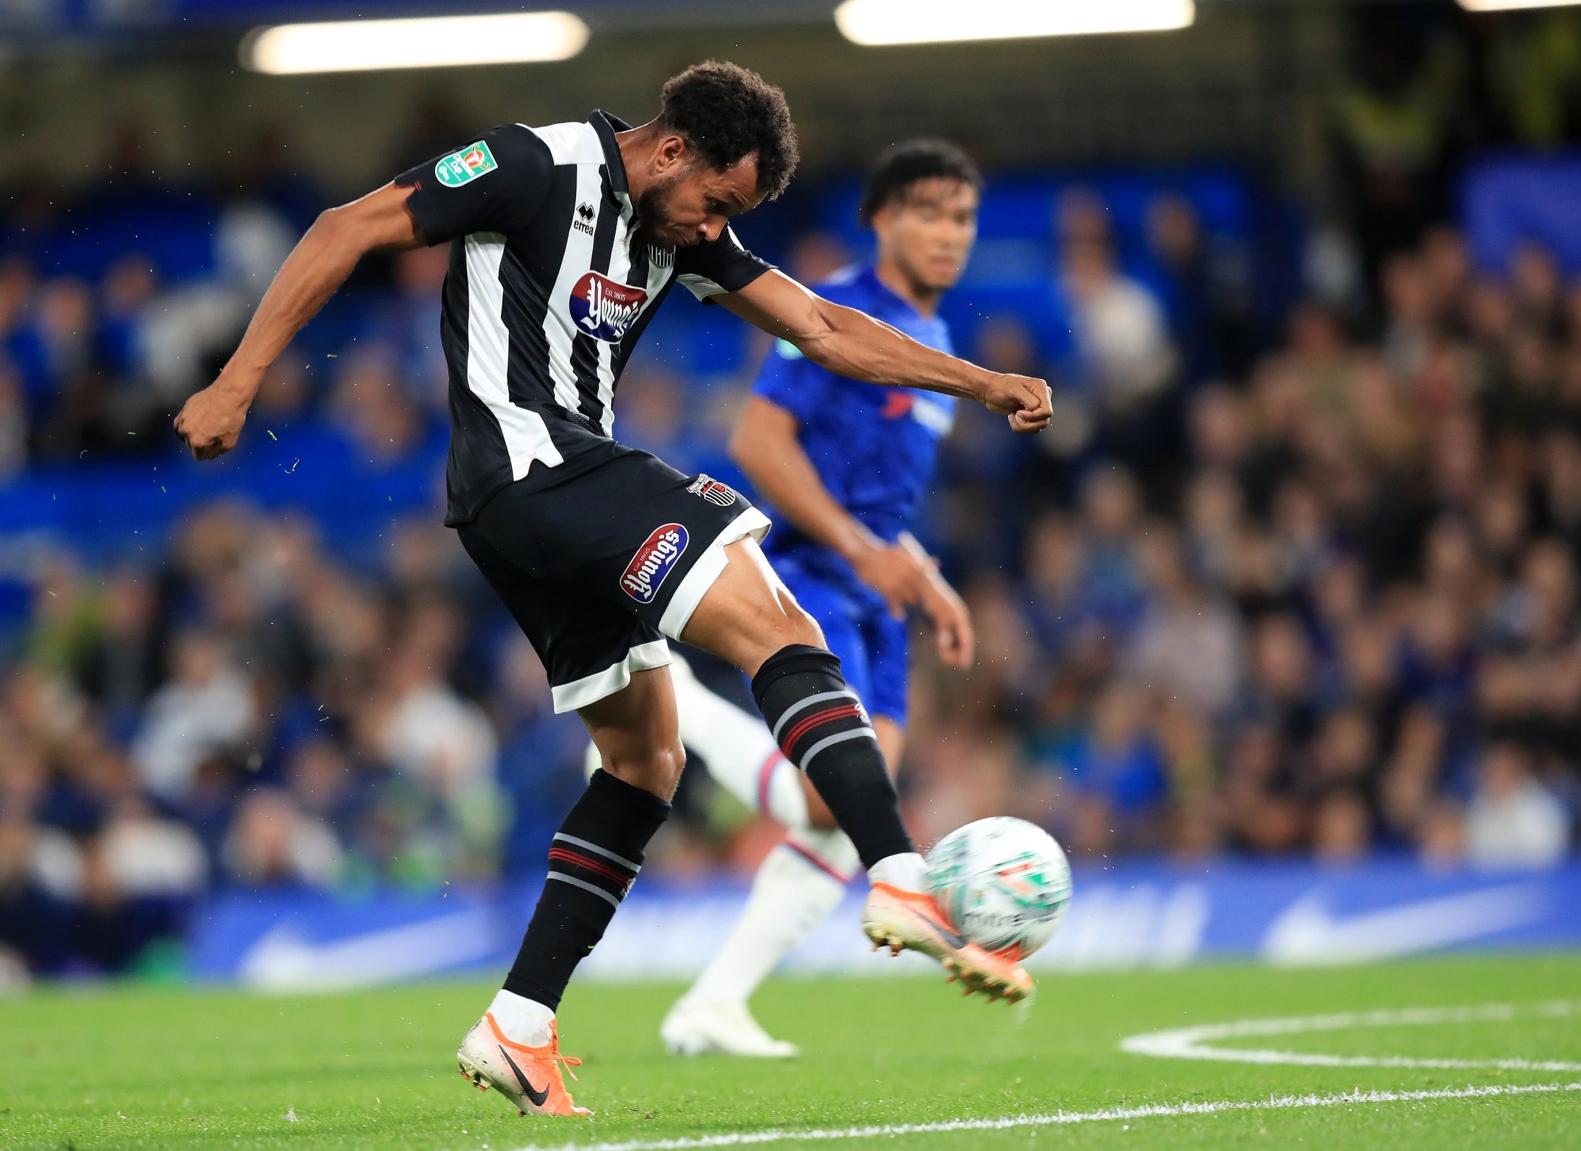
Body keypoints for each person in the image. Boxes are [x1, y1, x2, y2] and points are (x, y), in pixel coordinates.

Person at [173, 62, 1052, 1118]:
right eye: (714, 204)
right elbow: (339, 228)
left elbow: (821, 326)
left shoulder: (679, 229)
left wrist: (983, 381)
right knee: (781, 625)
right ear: (672, 150)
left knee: (645, 762)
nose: (707, 231)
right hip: (537, 469)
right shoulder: (530, 162)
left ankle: (519, 1023)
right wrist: (237, 378)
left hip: (520, 512)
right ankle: (901, 874)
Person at [639, 139, 985, 1058]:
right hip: (807, 572)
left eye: (961, 218)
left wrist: (921, 569)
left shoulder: (935, 341)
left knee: (852, 807)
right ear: (881, 220)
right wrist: (867, 551)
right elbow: (758, 442)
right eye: (927, 213)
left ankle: (713, 1003)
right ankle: (679, 708)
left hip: (874, 584)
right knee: (838, 799)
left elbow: (875, 491)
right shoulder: (839, 310)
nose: (948, 234)